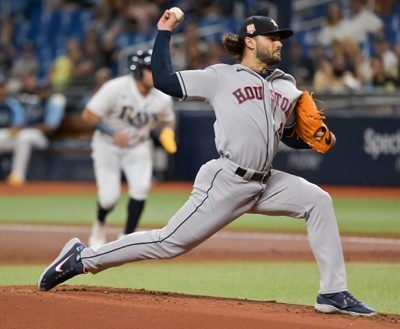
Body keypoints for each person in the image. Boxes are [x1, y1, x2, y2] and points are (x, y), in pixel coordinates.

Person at [38, 11, 377, 317]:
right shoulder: (221, 76)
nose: (278, 43)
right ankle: (82, 258)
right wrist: (164, 32)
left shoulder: (286, 87)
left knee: (318, 200)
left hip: (265, 182)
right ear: (249, 41)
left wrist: (310, 136)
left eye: (280, 39)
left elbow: (287, 135)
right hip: (227, 180)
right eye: (272, 38)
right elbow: (165, 81)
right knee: (167, 243)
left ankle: (333, 291)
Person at [80, 49, 176, 247]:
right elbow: (88, 115)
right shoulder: (116, 87)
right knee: (109, 198)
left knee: (141, 189)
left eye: (156, 68)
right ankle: (99, 225)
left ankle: (127, 237)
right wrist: (110, 132)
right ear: (138, 71)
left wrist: (167, 132)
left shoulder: (162, 97)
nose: (154, 73)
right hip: (107, 145)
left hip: (138, 146)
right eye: (149, 69)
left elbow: (169, 121)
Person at [1, 73, 66, 186]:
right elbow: (19, 122)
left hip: (44, 139)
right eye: (41, 90)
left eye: (45, 90)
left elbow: (49, 127)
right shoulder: (32, 101)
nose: (43, 93)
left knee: (24, 137)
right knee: (9, 137)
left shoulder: (53, 102)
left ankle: (17, 176)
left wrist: (26, 128)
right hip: (25, 134)